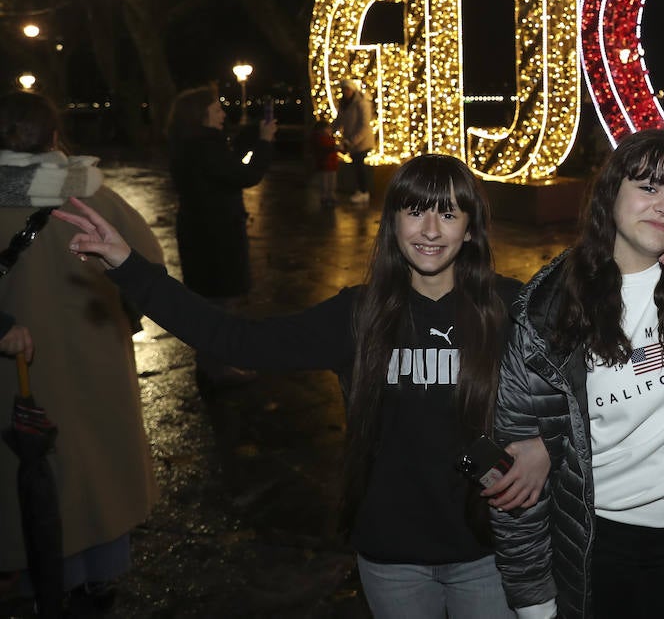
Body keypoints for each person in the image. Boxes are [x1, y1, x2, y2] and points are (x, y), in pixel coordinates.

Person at [55, 153, 550, 619]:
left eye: (448, 213)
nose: (430, 229)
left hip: (487, 552)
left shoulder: (510, 309)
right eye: (414, 211)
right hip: (392, 558)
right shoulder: (358, 313)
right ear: (393, 223)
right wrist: (130, 267)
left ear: (469, 229)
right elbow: (238, 341)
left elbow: (584, 388)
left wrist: (545, 446)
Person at [492, 129, 664, 619]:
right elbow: (514, 473)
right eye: (649, 187)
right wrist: (532, 598)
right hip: (602, 542)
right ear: (610, 192)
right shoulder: (548, 308)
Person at [0, 90, 161, 612]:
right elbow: (147, 262)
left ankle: (45, 578)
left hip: (21, 368)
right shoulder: (89, 194)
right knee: (98, 472)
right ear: (53, 137)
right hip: (96, 359)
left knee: (36, 475)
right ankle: (98, 580)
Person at [166, 84, 277, 386]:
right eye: (216, 109)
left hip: (200, 231)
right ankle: (216, 367)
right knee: (219, 302)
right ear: (200, 115)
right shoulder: (205, 148)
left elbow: (229, 161)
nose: (222, 113)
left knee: (209, 299)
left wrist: (254, 131)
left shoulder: (190, 144)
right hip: (215, 236)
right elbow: (244, 174)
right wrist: (265, 142)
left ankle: (213, 363)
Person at [335, 78, 376, 204]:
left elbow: (364, 126)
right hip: (352, 141)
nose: (346, 92)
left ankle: (364, 191)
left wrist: (351, 141)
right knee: (357, 166)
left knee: (359, 165)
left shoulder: (362, 103)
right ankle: (361, 190)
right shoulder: (344, 104)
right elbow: (339, 120)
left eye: (347, 90)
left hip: (362, 142)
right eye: (344, 90)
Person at [310, 116, 342, 208]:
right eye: (327, 128)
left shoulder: (330, 139)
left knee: (332, 182)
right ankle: (325, 197)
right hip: (324, 165)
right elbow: (325, 149)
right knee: (325, 182)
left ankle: (331, 196)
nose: (329, 130)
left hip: (332, 165)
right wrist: (334, 148)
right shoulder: (320, 139)